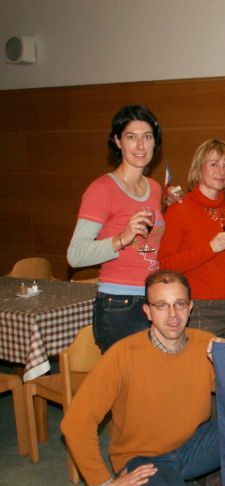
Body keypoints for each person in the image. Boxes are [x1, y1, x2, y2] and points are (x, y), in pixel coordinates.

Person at [61, 269, 225, 486]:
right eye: (162, 305)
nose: (173, 315)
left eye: (179, 304)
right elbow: (76, 421)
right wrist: (103, 483)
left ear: (190, 307)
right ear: (147, 312)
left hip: (191, 446)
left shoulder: (206, 345)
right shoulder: (123, 354)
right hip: (144, 457)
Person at [67, 104, 165, 353]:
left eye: (147, 137)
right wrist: (122, 238)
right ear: (118, 141)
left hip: (154, 299)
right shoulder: (102, 189)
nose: (140, 146)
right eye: (131, 137)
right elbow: (75, 255)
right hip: (119, 304)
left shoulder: (154, 188)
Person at [160, 139, 225, 343]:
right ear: (198, 168)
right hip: (200, 309)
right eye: (214, 164)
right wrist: (210, 248)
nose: (221, 171)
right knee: (202, 365)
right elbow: (165, 265)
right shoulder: (178, 210)